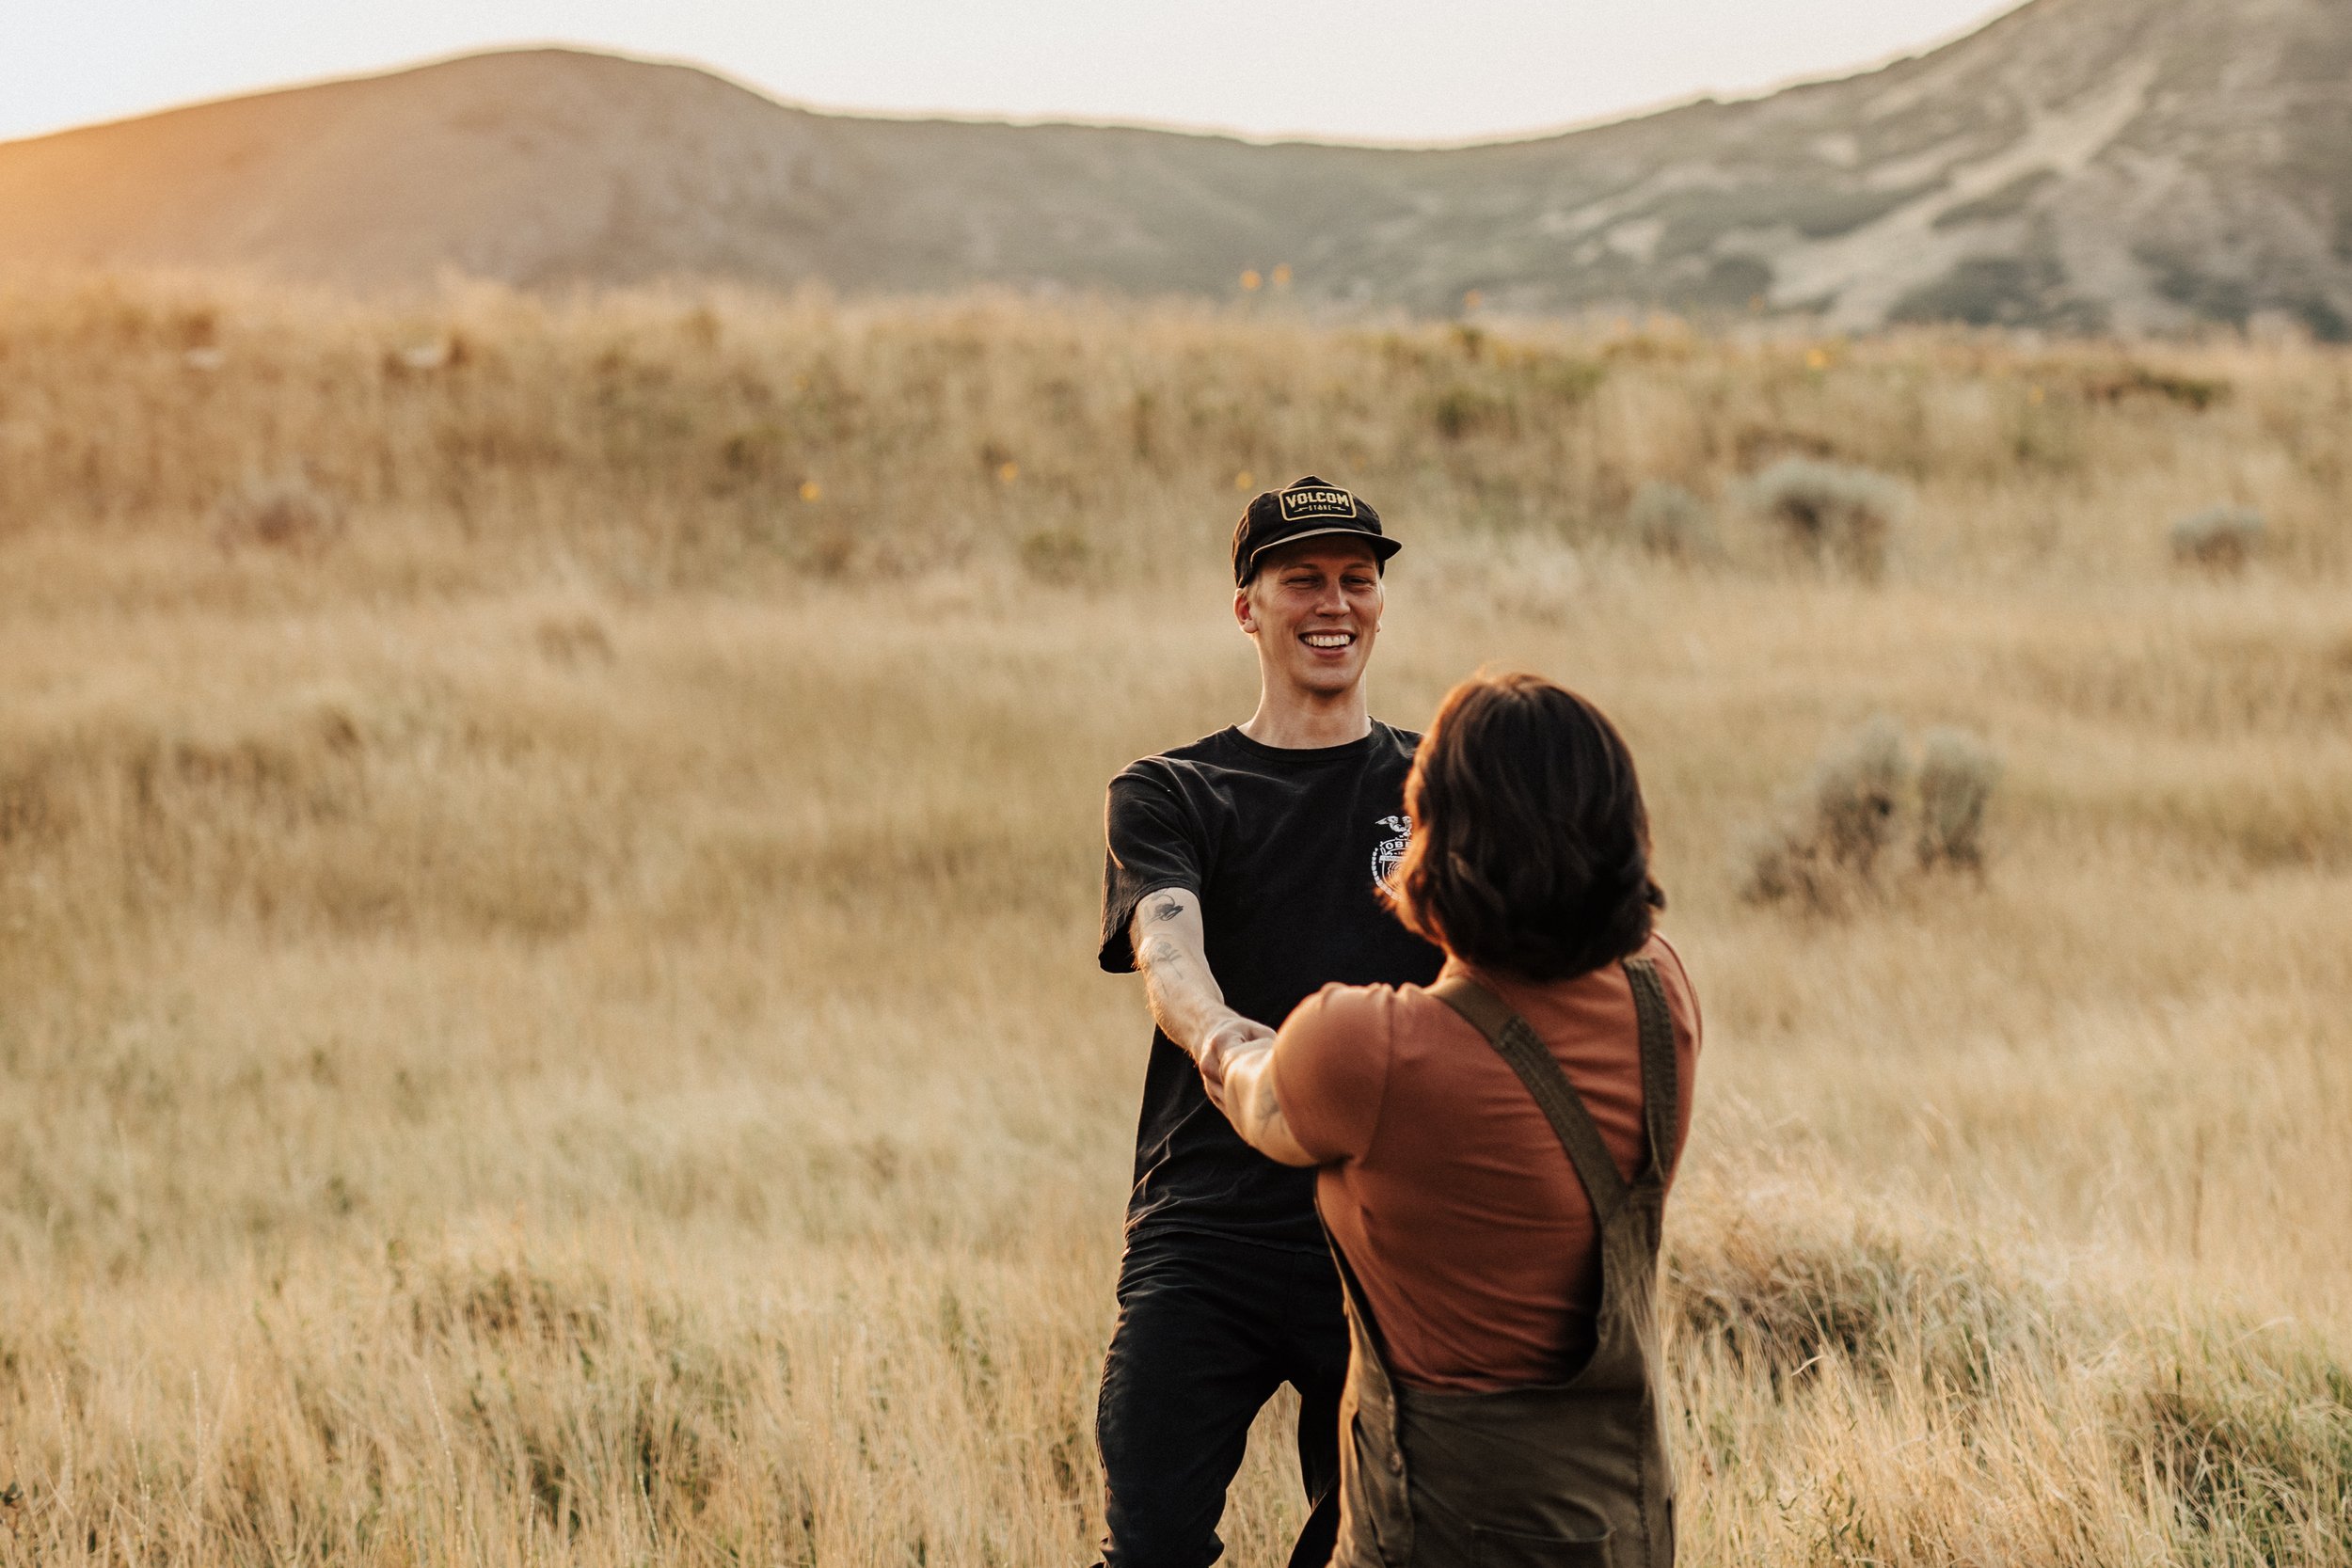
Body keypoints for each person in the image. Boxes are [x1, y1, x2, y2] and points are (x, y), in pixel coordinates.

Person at [1204, 670, 1702, 1568]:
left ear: (1436, 838)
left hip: (1437, 1536)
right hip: (1621, 1530)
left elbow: (1255, 1098)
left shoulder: (1369, 1049)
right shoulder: (1664, 995)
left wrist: (1219, 1033)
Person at [1094, 476, 1444, 1568]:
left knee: (1380, 1544)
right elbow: (1166, 948)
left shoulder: (1440, 782)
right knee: (1149, 1542)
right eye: (1302, 579)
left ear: (1380, 603)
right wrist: (1229, 1045)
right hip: (1203, 1231)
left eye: (1356, 579)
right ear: (1247, 606)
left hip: (1381, 1238)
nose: (1332, 602)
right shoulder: (1173, 789)